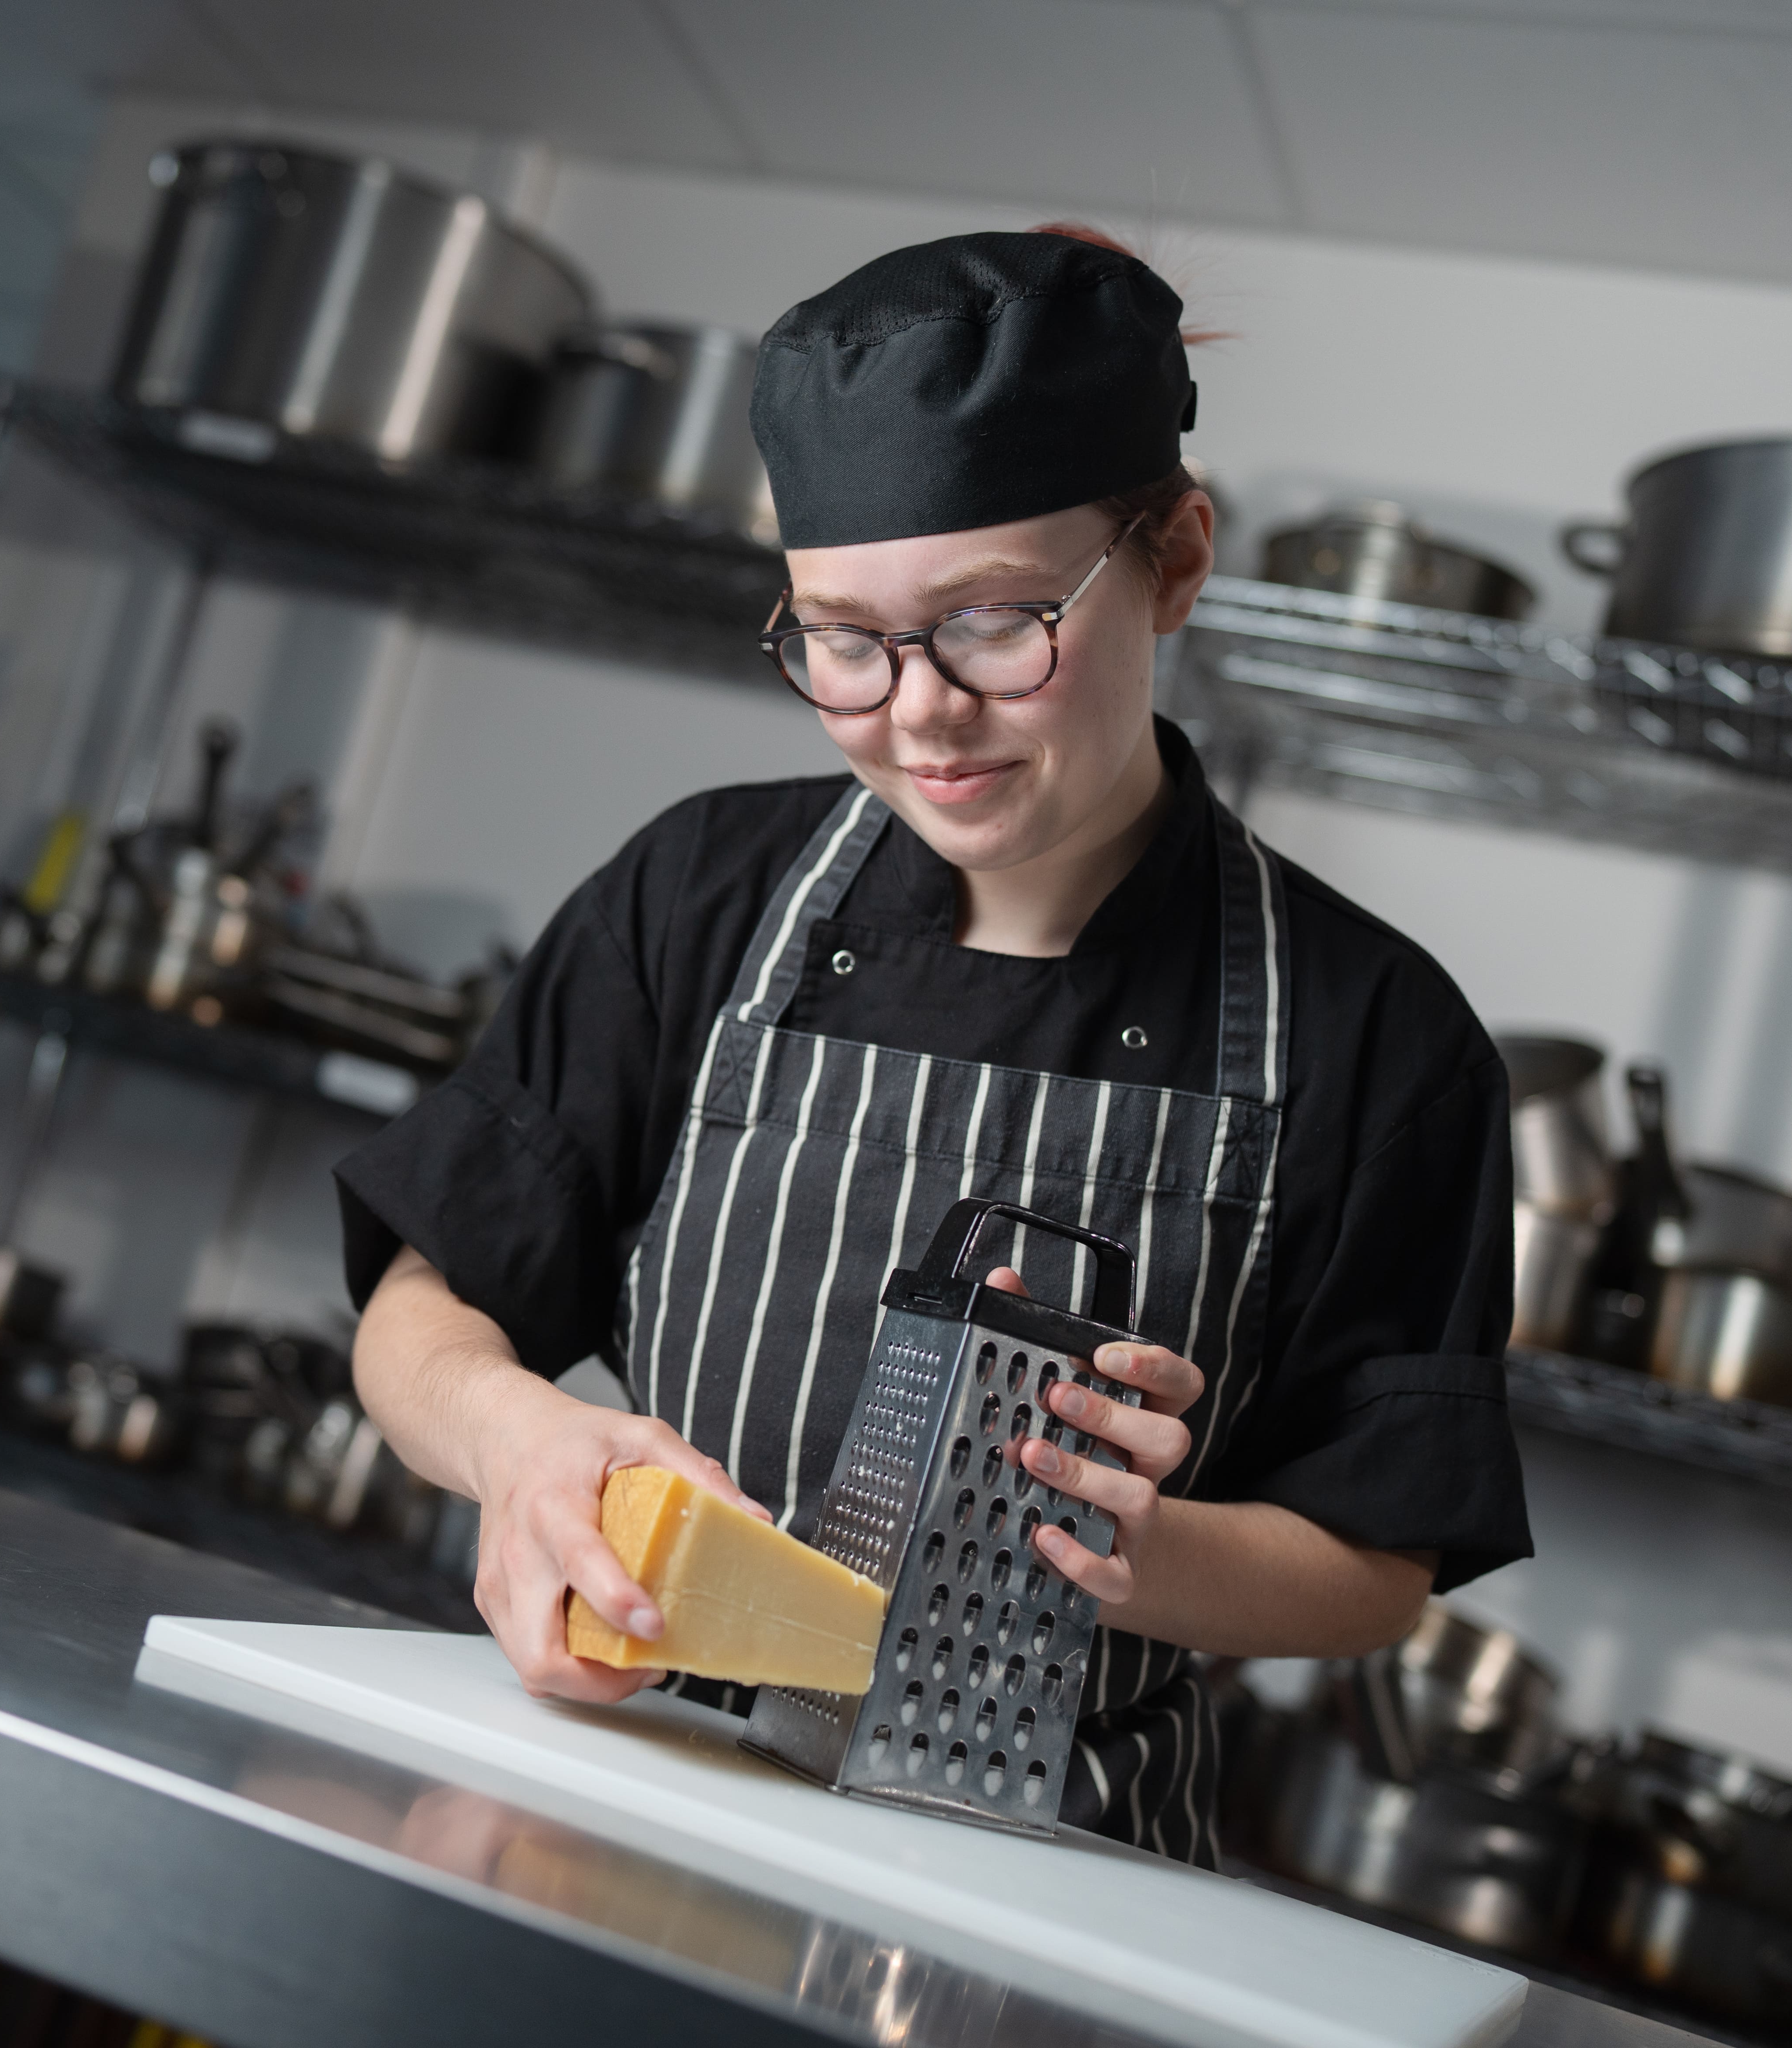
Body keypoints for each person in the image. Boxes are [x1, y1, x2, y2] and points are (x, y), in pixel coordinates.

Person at [338, 227, 1530, 1863]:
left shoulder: (1378, 1037)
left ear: (1175, 558)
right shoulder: (700, 893)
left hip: (1043, 1869)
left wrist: (1136, 1550)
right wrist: (518, 1437)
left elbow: (1379, 1570)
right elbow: (424, 1308)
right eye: (842, 636)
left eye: (992, 623)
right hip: (623, 1791)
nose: (918, 713)